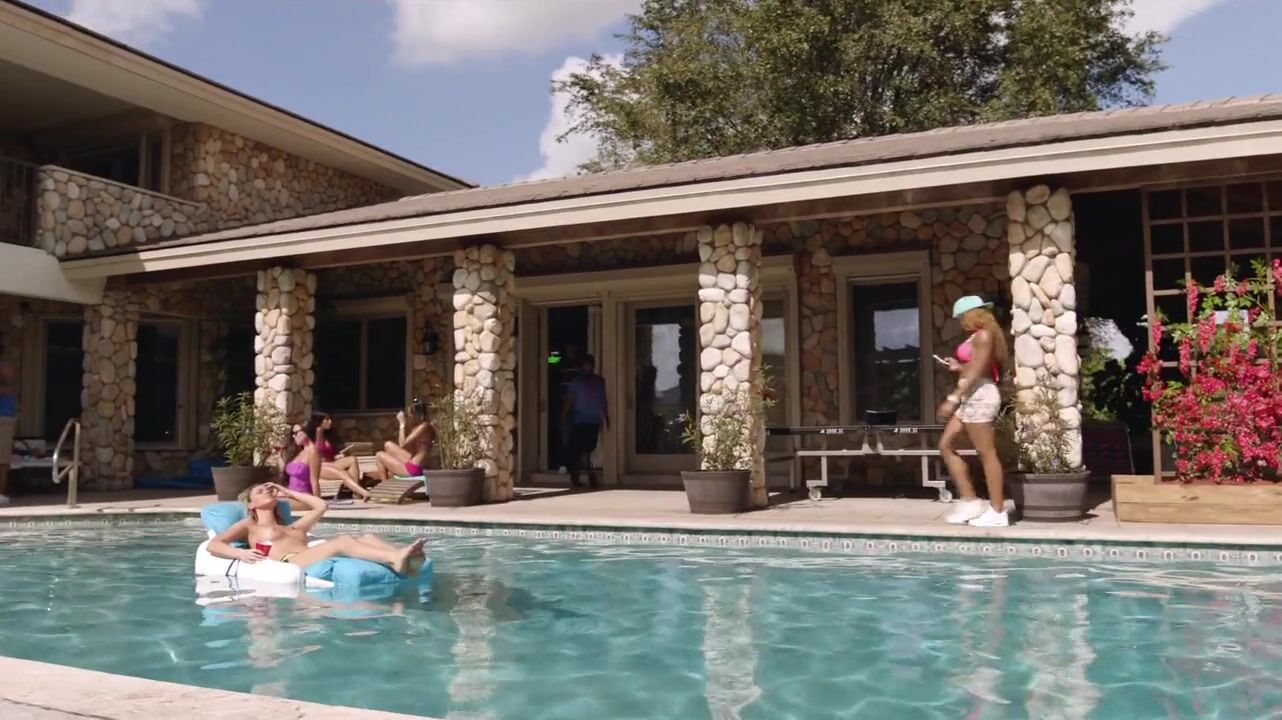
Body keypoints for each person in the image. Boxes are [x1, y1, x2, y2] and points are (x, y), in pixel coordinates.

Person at [207, 482, 426, 576]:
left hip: (308, 554)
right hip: (291, 561)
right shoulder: (250, 525)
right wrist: (241, 553)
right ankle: (395, 558)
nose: (267, 490)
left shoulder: (293, 527)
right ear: (251, 505)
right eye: (260, 491)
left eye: (268, 489)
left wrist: (288, 492)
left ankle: (405, 560)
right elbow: (214, 544)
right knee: (343, 540)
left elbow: (321, 506)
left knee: (368, 535)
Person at [938, 296, 1009, 527]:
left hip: (980, 396)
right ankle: (971, 501)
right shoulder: (977, 336)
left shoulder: (984, 336)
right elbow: (974, 366)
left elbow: (978, 371)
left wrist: (953, 398)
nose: (960, 321)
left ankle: (998, 512)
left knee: (987, 453)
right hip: (971, 396)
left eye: (961, 317)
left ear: (971, 314)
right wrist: (958, 366)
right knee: (946, 444)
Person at [562, 354, 609, 488]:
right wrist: (564, 415)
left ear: (593, 366)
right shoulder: (577, 381)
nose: (587, 367)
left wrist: (606, 417)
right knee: (577, 449)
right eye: (585, 365)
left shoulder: (599, 382)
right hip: (579, 420)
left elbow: (603, 400)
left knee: (588, 450)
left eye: (589, 365)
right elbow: (570, 400)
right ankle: (578, 474)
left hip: (593, 421)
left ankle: (588, 474)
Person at [312, 414, 371, 501]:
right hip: (319, 467)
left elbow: (330, 453)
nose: (330, 422)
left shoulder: (327, 435)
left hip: (331, 463)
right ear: (319, 422)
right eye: (327, 419)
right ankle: (362, 492)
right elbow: (314, 455)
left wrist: (337, 456)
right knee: (343, 473)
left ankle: (355, 491)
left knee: (352, 459)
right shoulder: (313, 437)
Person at [376, 399, 434, 479]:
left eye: (411, 414)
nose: (410, 417)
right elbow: (408, 449)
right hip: (416, 464)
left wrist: (402, 424)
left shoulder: (423, 427)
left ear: (418, 414)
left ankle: (384, 484)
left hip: (414, 469)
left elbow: (402, 444)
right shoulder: (424, 426)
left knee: (379, 455)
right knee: (388, 444)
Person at [280, 423, 322, 506]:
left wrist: (318, 502)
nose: (294, 436)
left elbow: (314, 481)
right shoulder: (300, 452)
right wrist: (279, 457)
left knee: (273, 503)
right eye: (293, 434)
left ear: (306, 432)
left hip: (304, 497)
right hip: (292, 495)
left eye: (296, 433)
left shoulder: (313, 452)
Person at [0, 334, 14, 506]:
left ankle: (1, 492)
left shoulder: (4, 367)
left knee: (2, 457)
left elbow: (8, 388)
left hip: (3, 416)